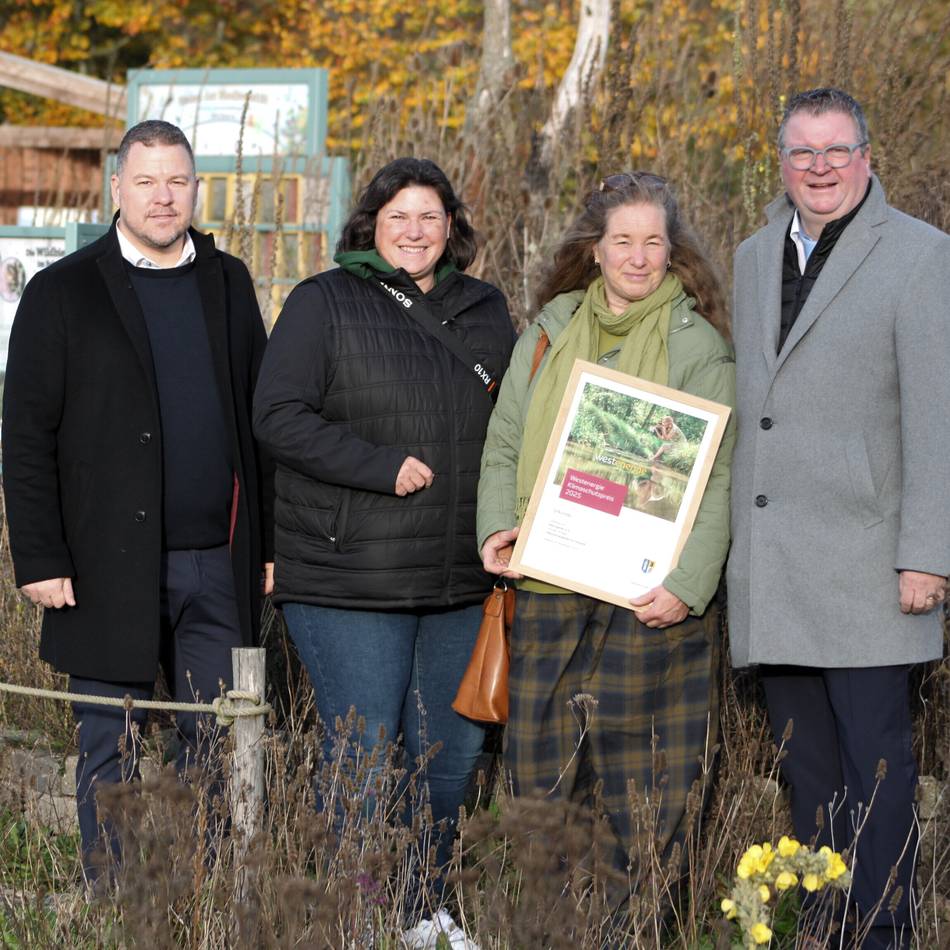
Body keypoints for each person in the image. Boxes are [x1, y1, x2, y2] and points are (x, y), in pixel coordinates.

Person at [2, 120, 274, 877]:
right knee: (109, 742)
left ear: (196, 188)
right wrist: (40, 557)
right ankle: (115, 905)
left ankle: (207, 896)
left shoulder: (229, 283)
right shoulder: (64, 291)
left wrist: (270, 545)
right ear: (116, 188)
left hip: (216, 562)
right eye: (147, 181)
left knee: (217, 738)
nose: (163, 196)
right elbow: (24, 436)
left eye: (177, 181)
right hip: (99, 566)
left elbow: (260, 423)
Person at [252, 158, 516, 914]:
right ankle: (358, 915)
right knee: (364, 754)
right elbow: (278, 416)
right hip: (347, 576)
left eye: (429, 216)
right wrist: (378, 467)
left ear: (452, 229)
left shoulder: (487, 309)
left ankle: (424, 909)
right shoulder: (323, 302)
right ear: (369, 225)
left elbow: (516, 425)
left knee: (451, 754)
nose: (414, 230)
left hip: (460, 579)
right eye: (398, 215)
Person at [727, 88, 950, 949]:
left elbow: (937, 416)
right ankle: (819, 926)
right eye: (801, 153)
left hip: (869, 564)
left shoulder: (924, 256)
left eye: (836, 150)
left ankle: (884, 928)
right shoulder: (752, 257)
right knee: (808, 773)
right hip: (776, 565)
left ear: (868, 154)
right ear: (779, 161)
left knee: (879, 772)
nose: (819, 169)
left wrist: (927, 554)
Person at [477, 172, 735, 900]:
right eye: (622, 240)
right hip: (549, 589)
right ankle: (545, 929)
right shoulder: (550, 328)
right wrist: (499, 523)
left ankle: (632, 932)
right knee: (539, 785)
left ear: (671, 251)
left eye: (653, 240)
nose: (638, 256)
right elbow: (503, 441)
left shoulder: (698, 346)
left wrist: (686, 586)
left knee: (644, 792)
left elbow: (717, 475)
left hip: (648, 602)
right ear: (594, 249)